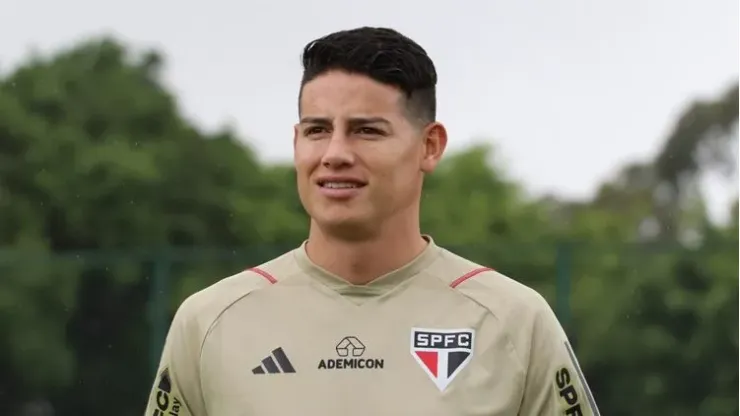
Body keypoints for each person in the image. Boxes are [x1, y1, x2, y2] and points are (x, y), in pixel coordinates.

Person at [144, 26, 600, 416]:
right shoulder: (208, 323)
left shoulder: (516, 323)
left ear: (430, 146)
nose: (335, 154)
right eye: (317, 130)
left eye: (367, 130)